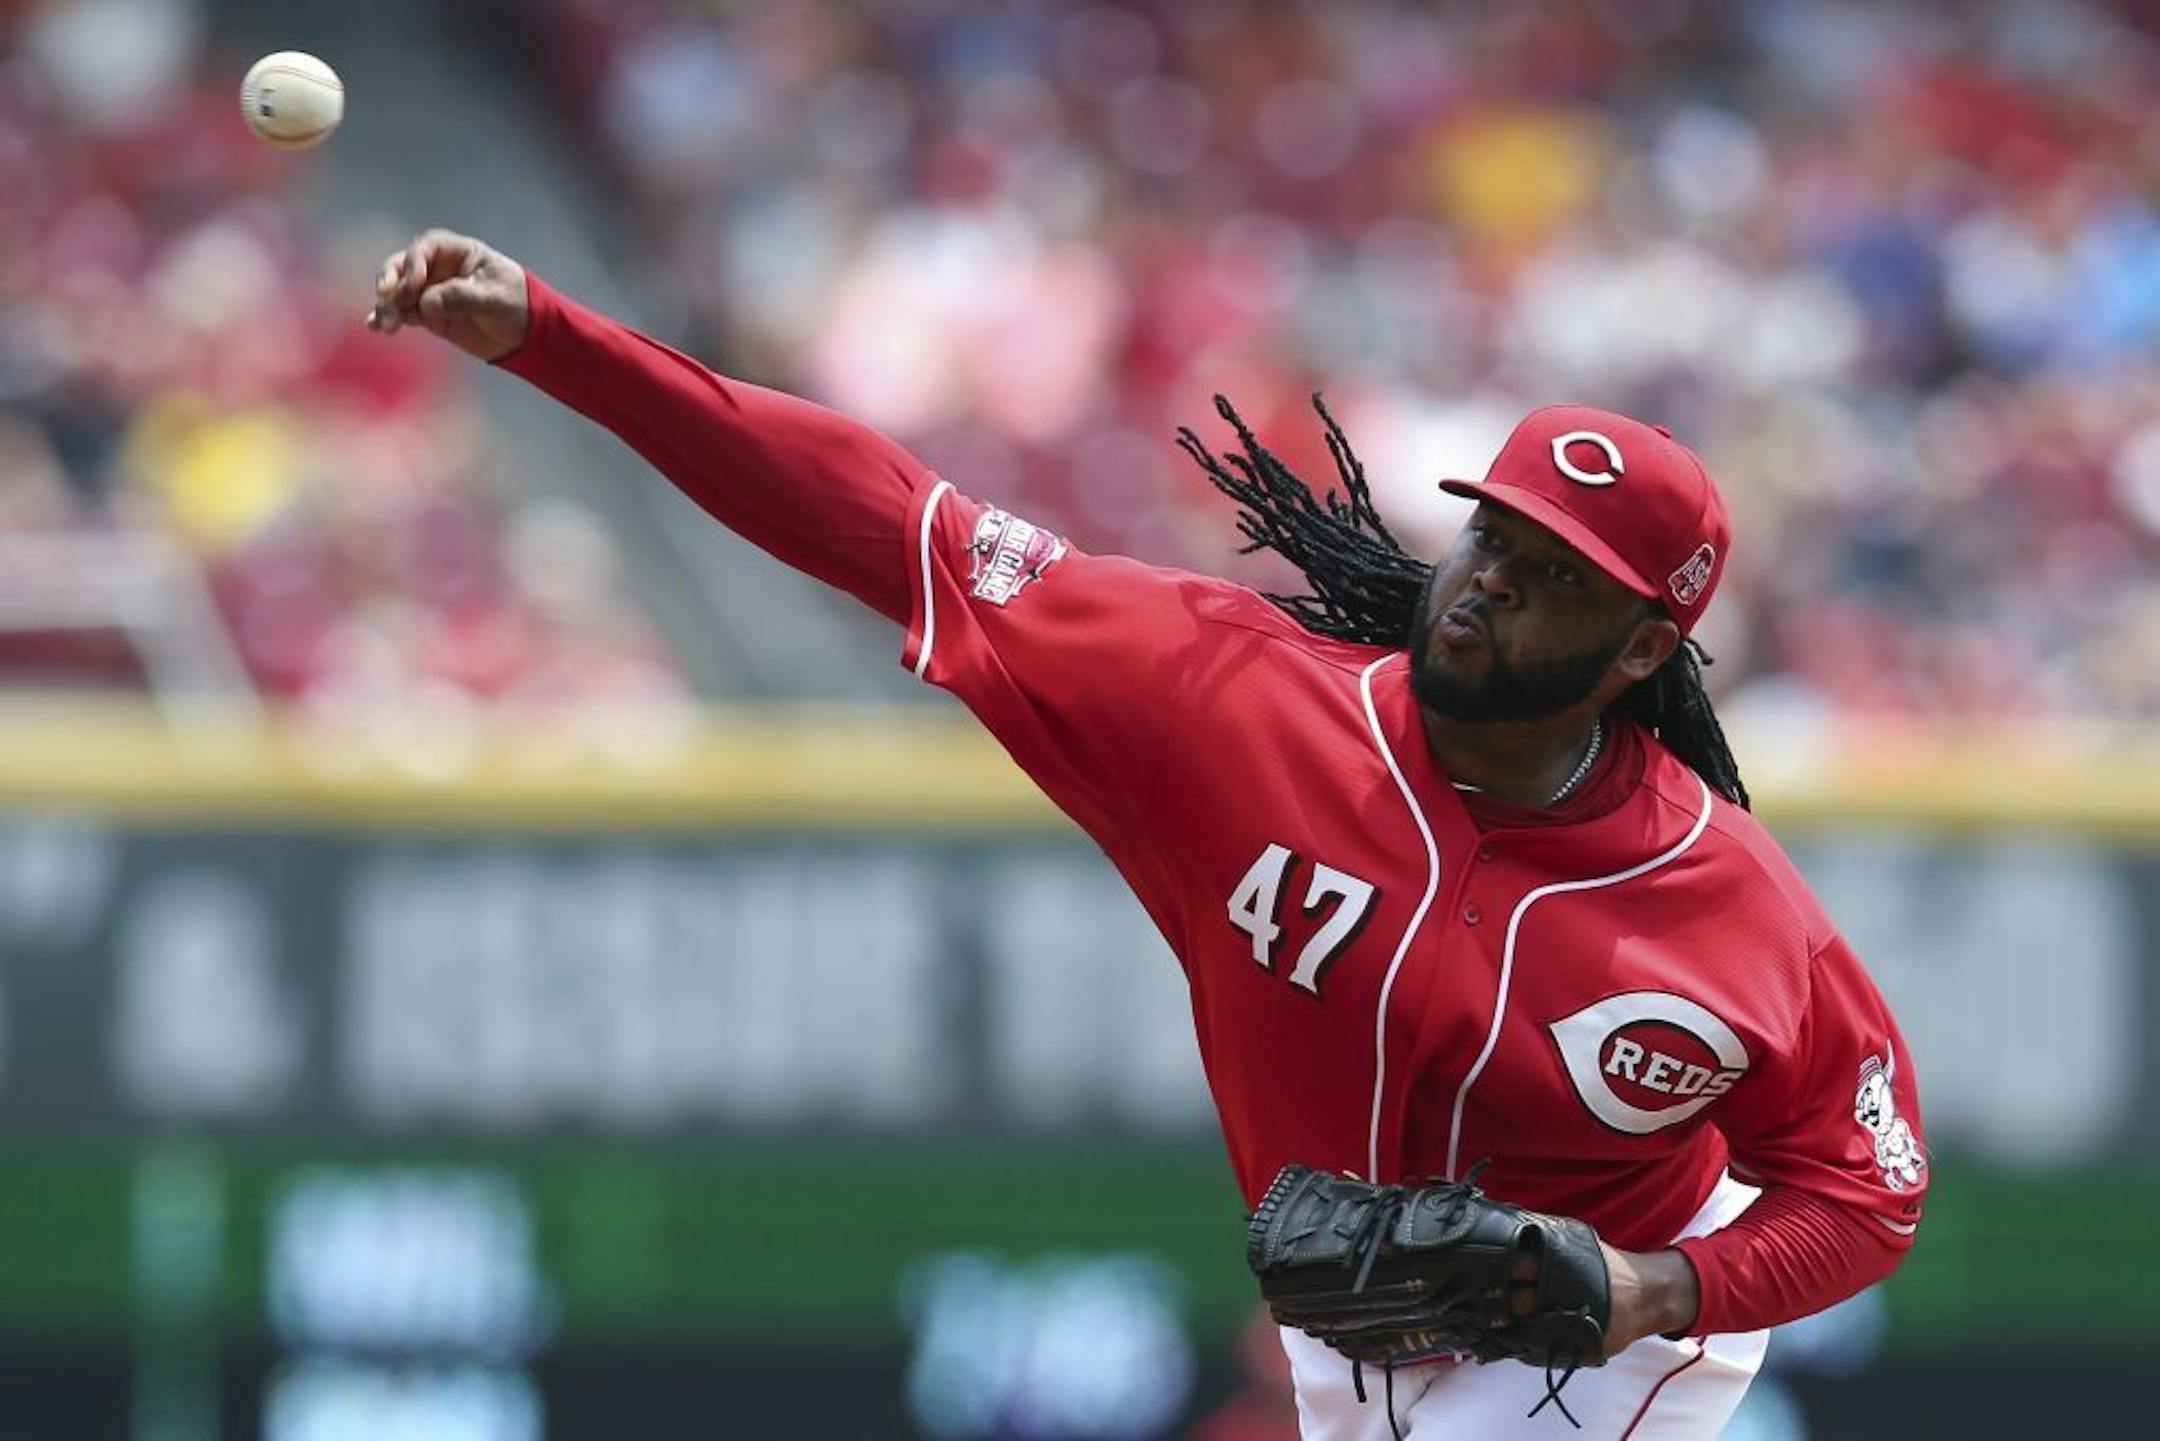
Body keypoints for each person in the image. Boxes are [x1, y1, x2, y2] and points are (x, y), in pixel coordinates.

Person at [369, 230, 1928, 1439]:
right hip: (1360, 1337)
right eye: (1493, 533)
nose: (1495, 580)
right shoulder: (1225, 698)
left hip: (1618, 1343)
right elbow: (889, 512)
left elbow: (1869, 1187)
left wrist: (1659, 1285)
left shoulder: (1724, 903)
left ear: (1646, 649)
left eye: (1560, 574)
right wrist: (556, 342)